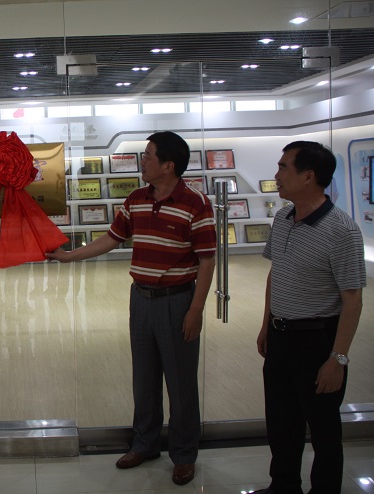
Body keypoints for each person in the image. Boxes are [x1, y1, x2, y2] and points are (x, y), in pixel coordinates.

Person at [47, 131, 216, 486]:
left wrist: (196, 309)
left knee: (181, 384)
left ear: (168, 166)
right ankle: (145, 444)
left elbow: (206, 260)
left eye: (149, 155)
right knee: (145, 379)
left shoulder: (196, 203)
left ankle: (184, 455)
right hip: (140, 299)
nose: (143, 161)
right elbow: (112, 238)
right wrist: (69, 256)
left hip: (177, 301)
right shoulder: (137, 199)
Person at [254, 141, 365, 494]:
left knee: (323, 430)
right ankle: (283, 486)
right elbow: (276, 273)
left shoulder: (342, 231)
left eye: (283, 167)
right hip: (280, 336)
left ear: (308, 176)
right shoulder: (283, 218)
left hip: (316, 341)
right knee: (281, 423)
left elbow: (352, 300)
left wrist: (337, 358)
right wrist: (266, 324)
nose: (276, 175)